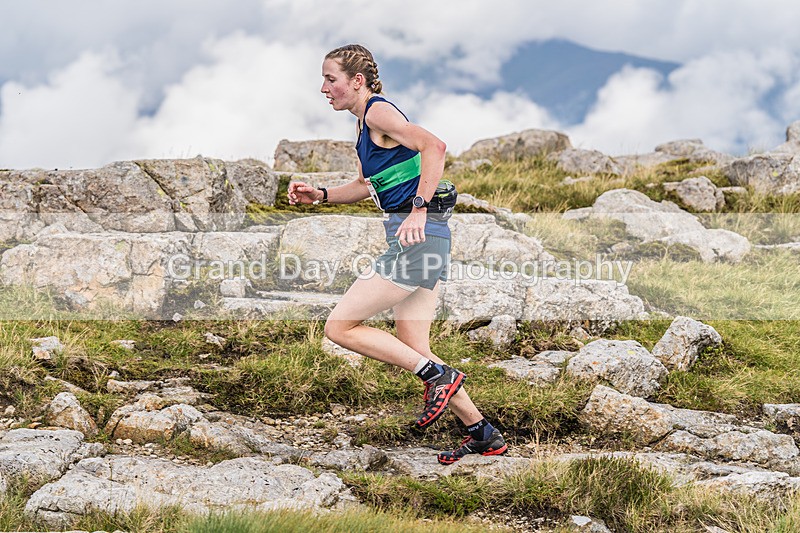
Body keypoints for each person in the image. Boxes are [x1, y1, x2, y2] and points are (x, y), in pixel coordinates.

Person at [287, 44, 507, 464]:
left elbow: (435, 147)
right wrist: (321, 195)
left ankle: (437, 377)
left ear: (357, 81)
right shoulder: (366, 125)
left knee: (339, 326)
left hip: (417, 239)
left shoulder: (377, 112)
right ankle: (482, 432)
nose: (323, 88)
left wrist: (419, 209)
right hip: (428, 240)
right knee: (412, 343)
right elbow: (366, 186)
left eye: (330, 79)